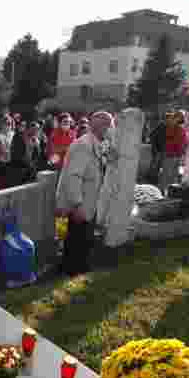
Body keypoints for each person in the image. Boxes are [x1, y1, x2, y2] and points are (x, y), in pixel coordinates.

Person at [56, 112, 113, 276]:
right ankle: (73, 269)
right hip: (81, 201)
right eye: (109, 126)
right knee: (77, 237)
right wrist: (77, 204)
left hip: (90, 199)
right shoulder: (83, 145)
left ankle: (79, 267)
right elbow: (73, 177)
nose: (111, 130)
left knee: (84, 236)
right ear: (100, 127)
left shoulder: (98, 143)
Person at [159, 111, 189, 193]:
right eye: (177, 117)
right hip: (170, 154)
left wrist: (183, 152)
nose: (179, 119)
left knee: (174, 175)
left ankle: (170, 191)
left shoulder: (181, 129)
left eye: (180, 117)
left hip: (177, 154)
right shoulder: (169, 128)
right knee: (166, 174)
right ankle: (162, 191)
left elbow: (184, 142)